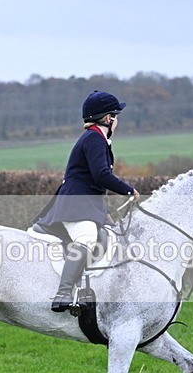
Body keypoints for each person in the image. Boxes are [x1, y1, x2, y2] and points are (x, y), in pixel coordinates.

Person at [34, 90, 140, 312]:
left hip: (86, 204)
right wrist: (128, 190)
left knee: (113, 235)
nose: (117, 121)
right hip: (75, 204)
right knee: (86, 240)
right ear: (108, 118)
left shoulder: (96, 138)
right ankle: (63, 293)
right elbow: (101, 175)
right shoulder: (94, 138)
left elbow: (93, 183)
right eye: (116, 116)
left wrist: (104, 212)